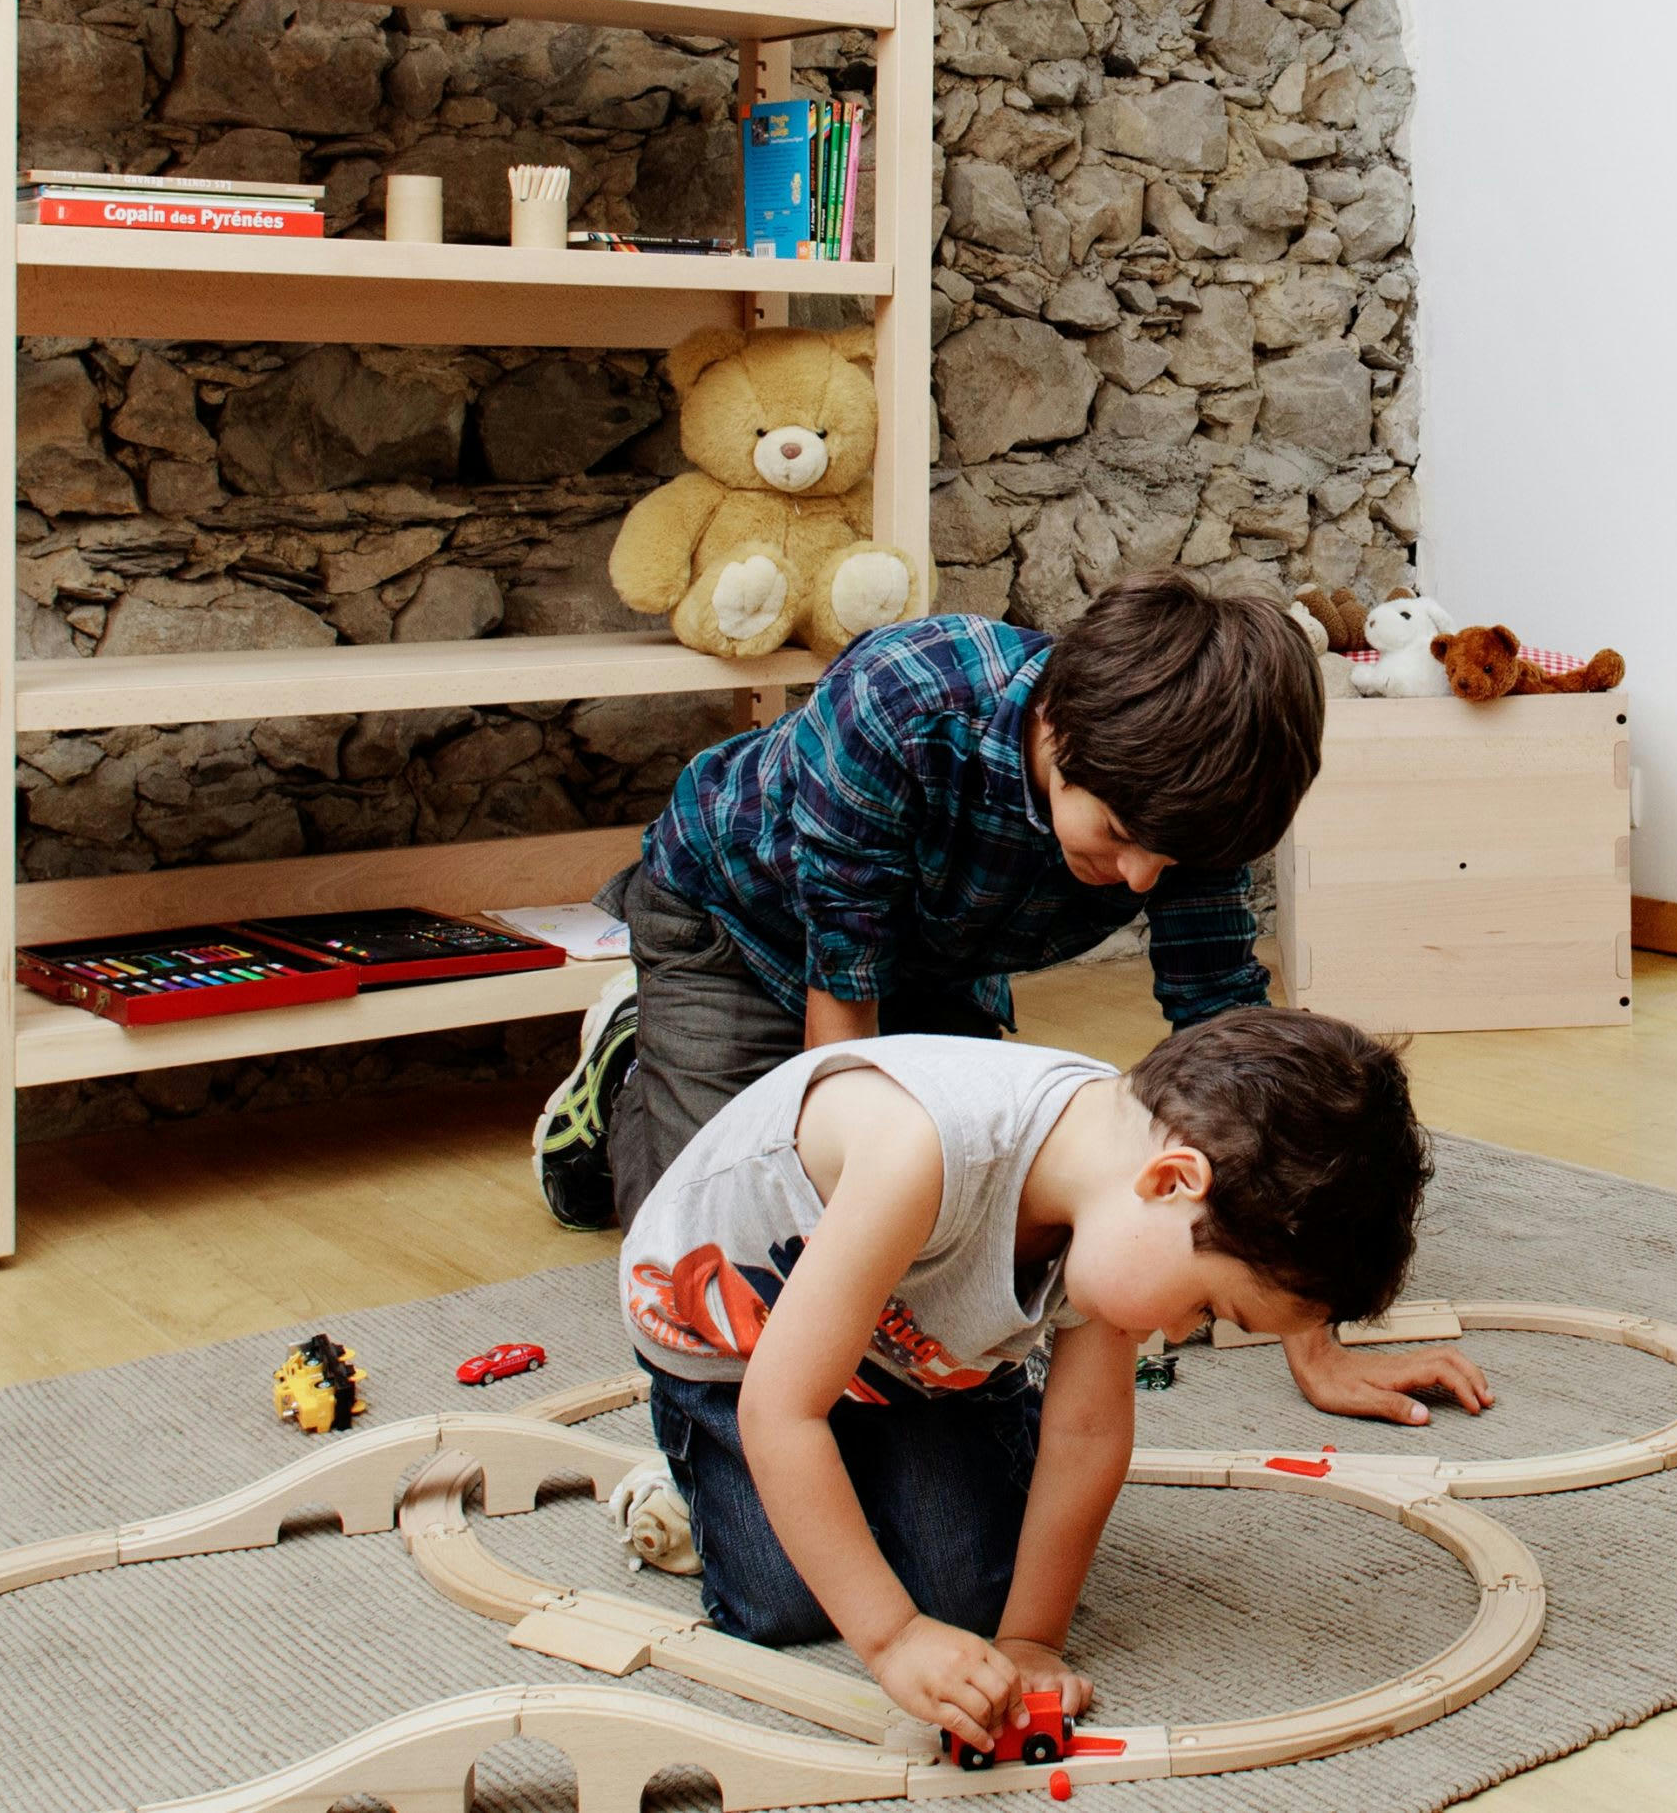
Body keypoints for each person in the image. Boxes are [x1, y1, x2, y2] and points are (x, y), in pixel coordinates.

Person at [541, 573, 1490, 1427]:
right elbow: (840, 1018)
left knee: (982, 1226)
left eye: (1170, 861)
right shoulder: (902, 700)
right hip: (736, 925)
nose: (1142, 879)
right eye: (1117, 836)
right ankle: (632, 1069)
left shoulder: (1189, 795)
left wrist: (1310, 1333)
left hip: (933, 964)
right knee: (723, 1263)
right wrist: (834, 1272)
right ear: (1061, 735)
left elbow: (1230, 1047)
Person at [619, 1008, 1429, 1747]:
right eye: (1208, 1305)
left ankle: (862, 1476)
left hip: (917, 1354)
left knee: (971, 1601)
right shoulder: (920, 1152)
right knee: (781, 1603)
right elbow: (783, 1411)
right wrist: (893, 1639)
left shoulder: (1123, 1205)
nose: (1182, 1333)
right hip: (737, 1351)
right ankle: (687, 1480)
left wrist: (1032, 1638)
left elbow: (1087, 1431)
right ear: (1171, 1182)